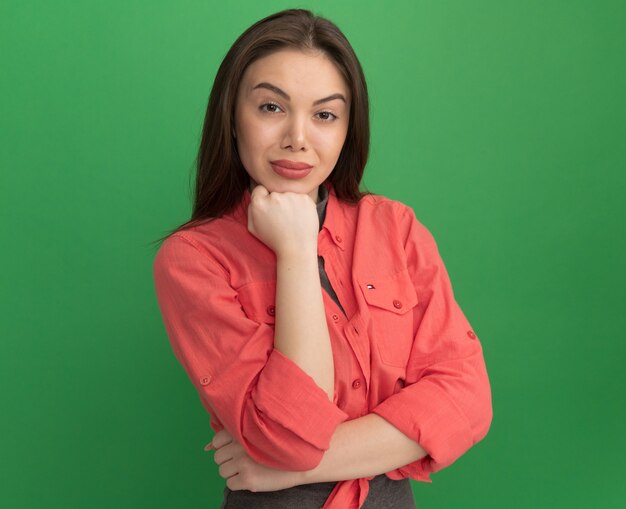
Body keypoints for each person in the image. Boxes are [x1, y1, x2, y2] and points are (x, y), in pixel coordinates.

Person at [152, 8, 492, 509]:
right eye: (271, 108)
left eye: (325, 114)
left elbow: (466, 400)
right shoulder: (194, 259)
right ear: (231, 116)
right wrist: (294, 251)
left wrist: (277, 467)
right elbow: (291, 434)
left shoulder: (394, 228)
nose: (298, 137)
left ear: (348, 129)